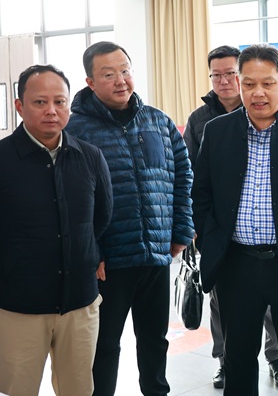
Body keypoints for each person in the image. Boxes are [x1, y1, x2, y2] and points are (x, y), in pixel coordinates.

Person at [192, 44, 278, 396]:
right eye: (249, 84)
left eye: (267, 83)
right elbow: (201, 194)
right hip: (236, 264)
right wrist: (210, 241)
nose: (258, 93)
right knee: (237, 359)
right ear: (239, 84)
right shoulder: (218, 131)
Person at [66, 41, 195, 396]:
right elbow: (72, 201)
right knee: (104, 344)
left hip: (156, 254)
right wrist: (92, 252)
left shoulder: (158, 121)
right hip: (108, 262)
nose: (121, 80)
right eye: (109, 74)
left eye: (125, 71)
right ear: (91, 82)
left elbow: (183, 177)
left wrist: (181, 231)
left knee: (155, 339)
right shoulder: (76, 131)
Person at [0, 65, 113, 396]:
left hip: (79, 302)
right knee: (18, 389)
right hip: (19, 305)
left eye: (59, 102)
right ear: (19, 106)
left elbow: (102, 217)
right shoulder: (2, 160)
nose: (51, 110)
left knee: (78, 389)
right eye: (40, 102)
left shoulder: (90, 156)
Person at [183, 45, 278, 389]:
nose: (224, 81)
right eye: (217, 75)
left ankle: (277, 359)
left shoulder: (264, 110)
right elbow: (192, 176)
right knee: (221, 304)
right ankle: (225, 361)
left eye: (230, 74)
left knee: (272, 306)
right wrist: (202, 231)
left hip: (267, 234)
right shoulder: (201, 120)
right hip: (222, 235)